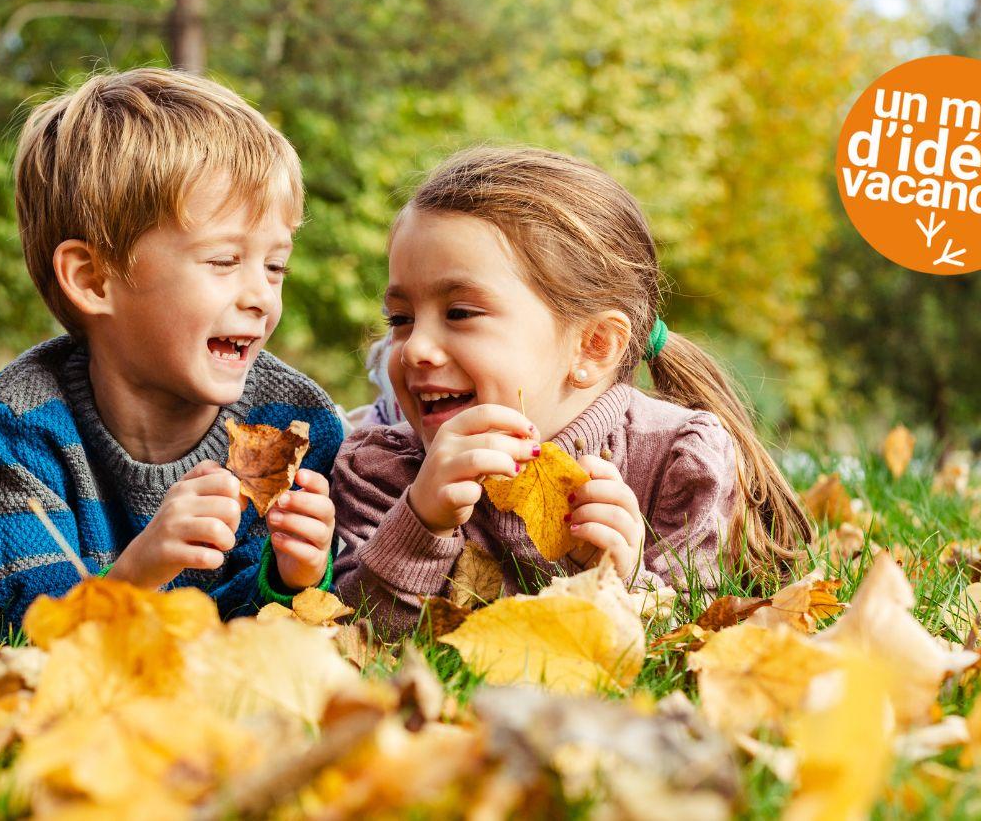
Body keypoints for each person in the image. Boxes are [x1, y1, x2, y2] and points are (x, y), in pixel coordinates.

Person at [332, 146, 812, 638]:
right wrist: (420, 525)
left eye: (460, 313)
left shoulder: (676, 461)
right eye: (401, 319)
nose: (415, 350)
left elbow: (700, 640)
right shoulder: (382, 471)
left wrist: (624, 585)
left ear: (594, 346)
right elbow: (363, 637)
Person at [0, 68, 344, 630]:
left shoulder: (299, 427)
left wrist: (293, 579)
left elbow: (259, 636)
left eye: (276, 265)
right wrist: (138, 573)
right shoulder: (14, 434)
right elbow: (17, 627)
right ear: (93, 279)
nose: (262, 296)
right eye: (223, 261)